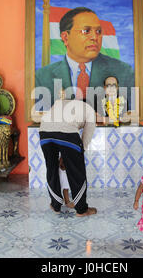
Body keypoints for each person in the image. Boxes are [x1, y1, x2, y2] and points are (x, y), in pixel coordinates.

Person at [35, 7, 134, 109]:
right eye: (86, 31)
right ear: (65, 37)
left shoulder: (123, 72)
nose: (94, 37)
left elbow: (129, 115)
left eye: (98, 31)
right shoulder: (42, 77)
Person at [37, 88, 97, 217]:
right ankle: (82, 210)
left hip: (44, 132)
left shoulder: (61, 102)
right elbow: (87, 135)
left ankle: (55, 205)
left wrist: (66, 156)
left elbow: (55, 127)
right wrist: (80, 151)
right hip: (67, 134)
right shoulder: (90, 110)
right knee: (77, 173)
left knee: (52, 169)